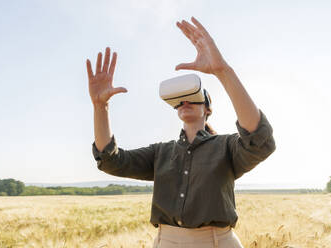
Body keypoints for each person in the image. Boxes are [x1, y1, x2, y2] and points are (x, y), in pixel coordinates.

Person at [87, 17, 275, 248]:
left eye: (193, 97)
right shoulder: (160, 153)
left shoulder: (226, 147)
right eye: (179, 99)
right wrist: (100, 107)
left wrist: (222, 70)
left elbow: (258, 139)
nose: (185, 102)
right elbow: (112, 161)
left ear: (207, 108)